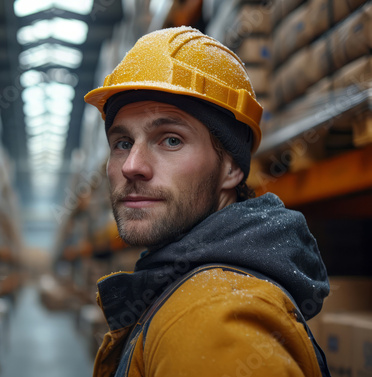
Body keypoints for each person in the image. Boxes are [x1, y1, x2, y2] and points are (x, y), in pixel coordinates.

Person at [84, 26, 330, 377]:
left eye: (170, 140)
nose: (132, 166)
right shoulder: (194, 291)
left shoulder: (214, 320)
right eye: (122, 143)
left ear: (231, 168)